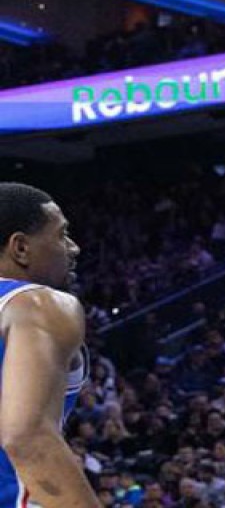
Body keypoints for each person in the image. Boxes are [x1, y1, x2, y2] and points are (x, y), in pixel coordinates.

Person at [0, 182, 97, 507]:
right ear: (21, 248)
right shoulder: (37, 303)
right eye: (61, 234)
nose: (73, 247)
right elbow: (28, 438)